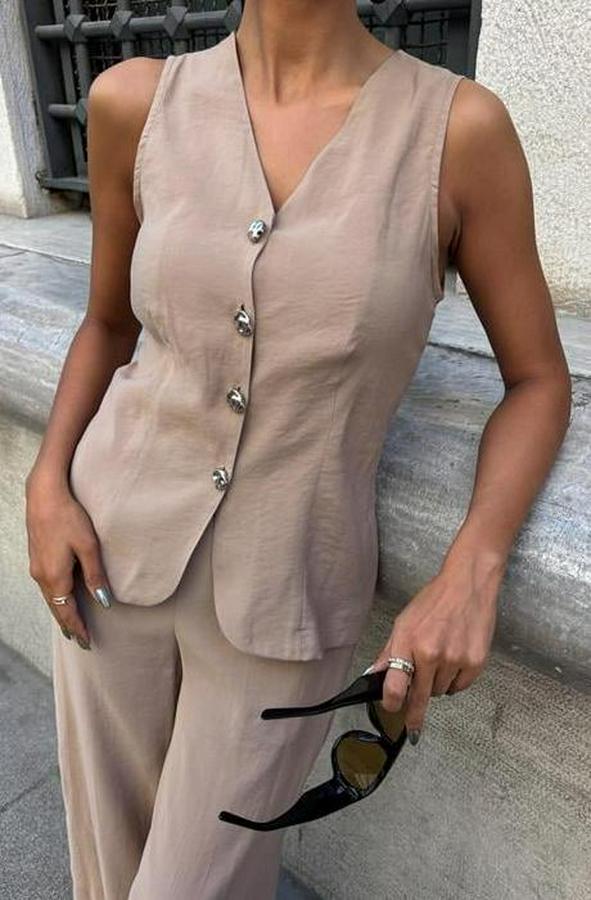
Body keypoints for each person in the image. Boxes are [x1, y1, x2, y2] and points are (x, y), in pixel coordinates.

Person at [24, 2, 571, 898]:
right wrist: (47, 485)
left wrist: (470, 572)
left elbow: (539, 380)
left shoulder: (456, 132)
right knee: (105, 872)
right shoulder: (134, 101)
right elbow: (108, 323)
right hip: (106, 557)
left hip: (290, 593)